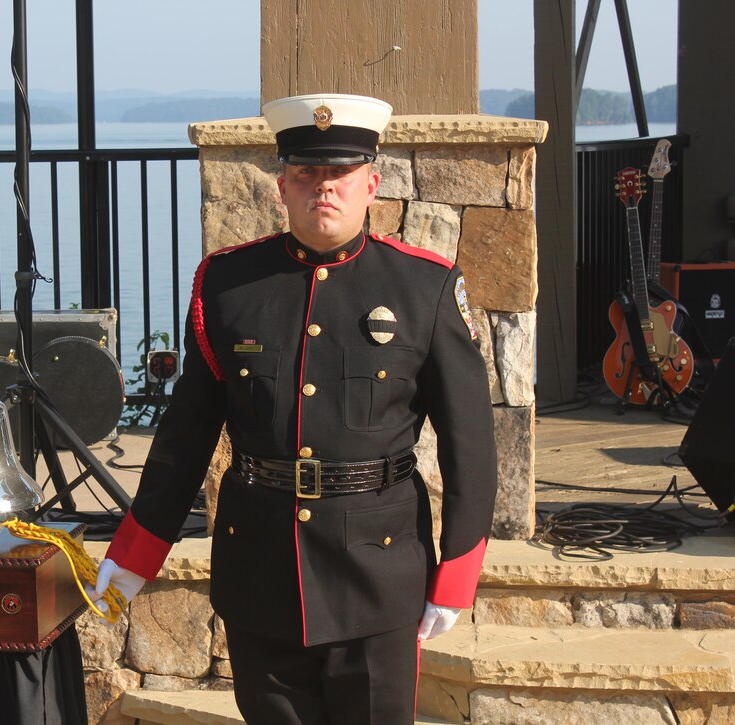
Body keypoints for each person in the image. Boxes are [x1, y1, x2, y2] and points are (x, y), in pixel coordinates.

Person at [88, 93, 497, 724]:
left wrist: (458, 571)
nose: (322, 188)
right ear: (282, 186)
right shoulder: (228, 284)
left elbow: (471, 443)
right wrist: (138, 550)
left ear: (372, 184)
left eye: (339, 174)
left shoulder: (425, 286)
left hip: (378, 572)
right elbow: (186, 434)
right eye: (306, 173)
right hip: (262, 568)